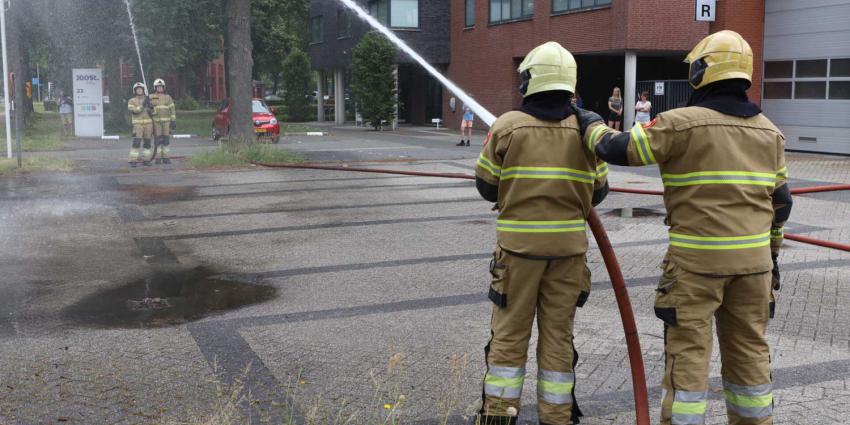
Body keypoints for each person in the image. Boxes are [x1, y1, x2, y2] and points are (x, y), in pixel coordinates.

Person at [578, 30, 792, 425]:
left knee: (689, 360)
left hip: (696, 266)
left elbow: (618, 148)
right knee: (750, 358)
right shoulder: (770, 132)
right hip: (754, 267)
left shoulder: (680, 124)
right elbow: (781, 204)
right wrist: (773, 257)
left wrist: (588, 121)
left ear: (701, 72)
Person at [474, 41, 609, 425]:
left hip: (517, 257)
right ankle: (557, 417)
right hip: (568, 257)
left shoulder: (507, 127)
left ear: (528, 81)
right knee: (558, 341)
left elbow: (486, 186)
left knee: (509, 340)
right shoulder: (587, 132)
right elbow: (599, 191)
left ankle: (499, 417)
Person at [149, 78, 176, 164]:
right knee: (158, 140)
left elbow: (172, 109)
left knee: (166, 140)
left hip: (166, 122)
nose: (160, 88)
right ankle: (158, 158)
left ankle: (166, 157)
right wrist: (148, 106)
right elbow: (147, 108)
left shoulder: (168, 97)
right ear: (155, 87)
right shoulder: (151, 97)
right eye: (158, 87)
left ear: (163, 88)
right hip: (156, 122)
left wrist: (173, 121)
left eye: (161, 87)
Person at [127, 82, 154, 167]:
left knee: (147, 143)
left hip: (148, 125)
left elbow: (154, 112)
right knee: (136, 143)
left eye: (141, 89)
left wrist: (151, 109)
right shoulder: (131, 101)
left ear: (143, 90)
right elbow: (135, 111)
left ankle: (146, 160)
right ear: (135, 91)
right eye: (137, 89)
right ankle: (133, 160)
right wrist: (142, 106)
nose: (139, 90)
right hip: (138, 125)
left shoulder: (148, 100)